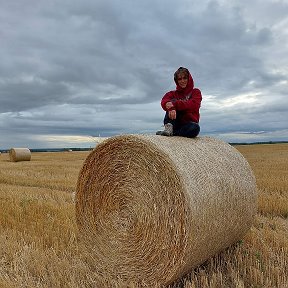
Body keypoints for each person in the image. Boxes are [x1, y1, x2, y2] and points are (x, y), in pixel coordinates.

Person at [156, 67, 202, 138]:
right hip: (174, 123)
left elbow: (193, 105)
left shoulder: (196, 92)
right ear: (176, 81)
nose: (182, 81)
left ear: (189, 79)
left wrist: (175, 104)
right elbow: (164, 100)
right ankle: (168, 129)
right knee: (170, 101)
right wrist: (171, 107)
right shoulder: (172, 93)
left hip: (188, 124)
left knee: (195, 128)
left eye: (185, 78)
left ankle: (174, 133)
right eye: (179, 79)